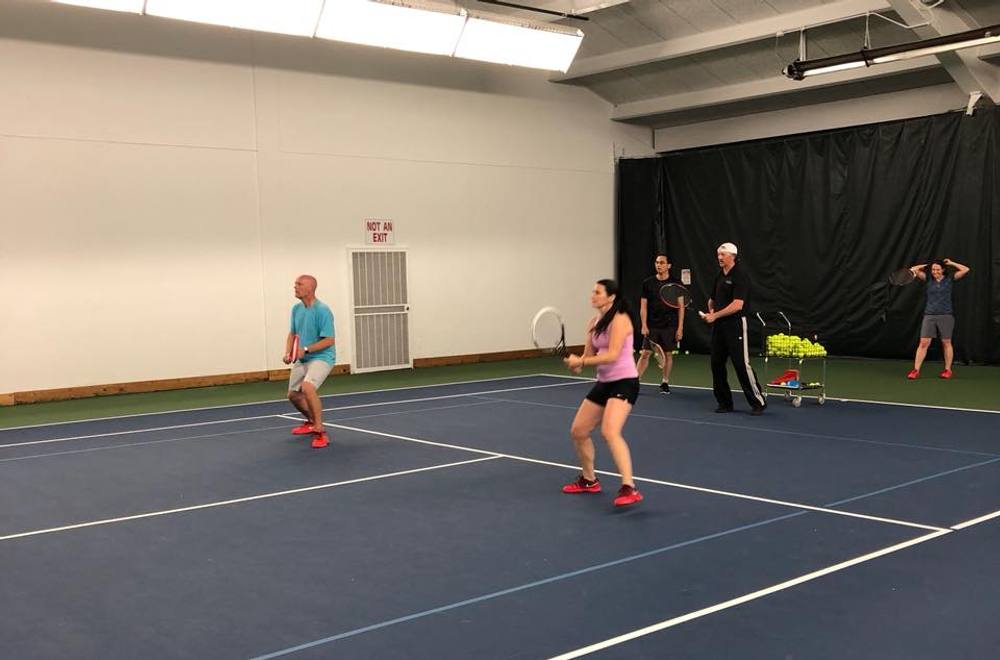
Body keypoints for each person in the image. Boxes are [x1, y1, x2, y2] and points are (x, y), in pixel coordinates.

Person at [562, 279, 643, 507]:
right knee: (578, 431)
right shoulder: (594, 322)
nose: (593, 295)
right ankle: (589, 481)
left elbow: (613, 355)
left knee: (610, 431)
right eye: (593, 291)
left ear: (611, 297)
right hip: (604, 382)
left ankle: (629, 487)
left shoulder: (620, 320)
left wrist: (584, 360)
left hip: (625, 382)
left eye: (598, 292)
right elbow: (588, 355)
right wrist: (576, 364)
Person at [702, 242, 766, 415]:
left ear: (732, 256)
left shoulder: (741, 276)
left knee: (741, 364)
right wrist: (711, 309)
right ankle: (724, 403)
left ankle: (758, 402)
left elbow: (738, 305)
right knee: (716, 363)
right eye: (718, 255)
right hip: (719, 328)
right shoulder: (719, 275)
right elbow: (712, 299)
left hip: (736, 325)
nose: (719, 258)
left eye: (723, 255)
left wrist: (715, 315)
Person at [284, 275, 336, 448]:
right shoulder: (296, 309)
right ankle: (310, 422)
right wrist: (289, 353)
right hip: (302, 358)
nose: (295, 287)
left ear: (310, 288)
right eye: (295, 284)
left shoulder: (322, 310)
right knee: (293, 395)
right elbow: (292, 334)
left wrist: (305, 350)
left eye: (299, 284)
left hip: (322, 357)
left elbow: (329, 340)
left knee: (307, 388)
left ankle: (320, 431)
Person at [907, 258, 970, 380]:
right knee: (923, 343)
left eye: (937, 269)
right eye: (933, 269)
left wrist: (951, 263)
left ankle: (947, 370)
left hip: (946, 315)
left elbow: (966, 269)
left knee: (946, 343)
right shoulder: (928, 279)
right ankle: (915, 370)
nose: (935, 271)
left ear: (943, 270)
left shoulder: (950, 279)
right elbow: (913, 269)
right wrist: (927, 265)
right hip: (929, 315)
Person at [638, 254, 684, 393]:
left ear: (668, 265)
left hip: (670, 325)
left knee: (668, 354)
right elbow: (643, 306)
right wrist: (644, 324)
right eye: (657, 262)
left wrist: (680, 328)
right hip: (652, 325)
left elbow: (681, 307)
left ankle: (665, 382)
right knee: (645, 353)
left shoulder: (676, 284)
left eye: (662, 262)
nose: (659, 265)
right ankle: (634, 382)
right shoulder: (648, 283)